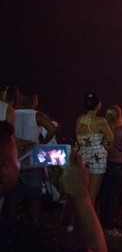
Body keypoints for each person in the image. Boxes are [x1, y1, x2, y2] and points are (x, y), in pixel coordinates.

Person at [0, 120, 107, 251]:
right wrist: (81, 195)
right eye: (16, 156)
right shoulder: (20, 238)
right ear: (5, 171)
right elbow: (96, 248)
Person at [5, 92, 57, 224]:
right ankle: (34, 226)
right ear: (33, 101)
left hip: (14, 160)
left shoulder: (11, 113)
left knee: (12, 198)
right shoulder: (36, 115)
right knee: (35, 198)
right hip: (32, 162)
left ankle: (11, 227)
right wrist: (42, 144)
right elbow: (52, 129)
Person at [99, 104, 122, 237]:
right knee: (115, 197)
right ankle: (110, 226)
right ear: (119, 116)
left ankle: (103, 222)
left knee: (105, 196)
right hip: (119, 166)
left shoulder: (104, 128)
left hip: (107, 164)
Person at [76, 92, 114, 209]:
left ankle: (80, 217)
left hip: (82, 157)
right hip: (97, 158)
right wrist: (104, 144)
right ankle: (90, 219)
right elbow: (111, 138)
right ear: (98, 105)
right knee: (92, 194)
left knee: (84, 192)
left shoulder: (79, 120)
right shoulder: (100, 121)